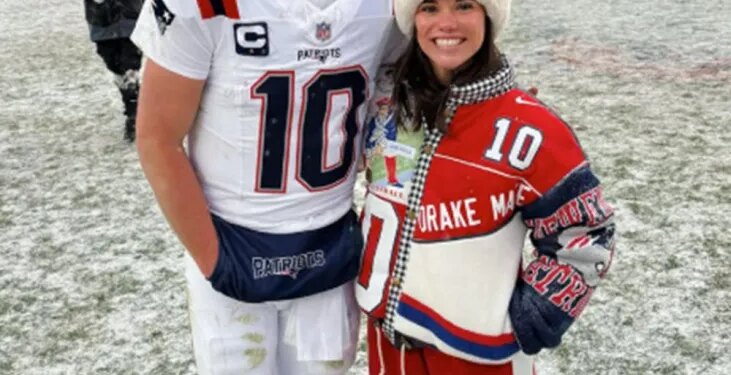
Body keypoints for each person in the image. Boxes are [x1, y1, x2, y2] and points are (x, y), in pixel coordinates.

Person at [130, 0, 403, 374]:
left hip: (329, 248)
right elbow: (157, 139)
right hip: (231, 241)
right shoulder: (200, 6)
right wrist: (214, 257)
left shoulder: (387, 8)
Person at [355, 0, 617, 374]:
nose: (445, 23)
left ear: (489, 17)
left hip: (478, 356)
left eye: (464, 5)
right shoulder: (387, 105)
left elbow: (587, 232)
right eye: (429, 8)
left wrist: (533, 317)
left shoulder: (530, 127)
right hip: (389, 344)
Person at [83, 0, 143, 142]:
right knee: (115, 66)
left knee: (132, 64)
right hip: (101, 22)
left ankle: (134, 113)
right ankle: (132, 107)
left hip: (131, 18)